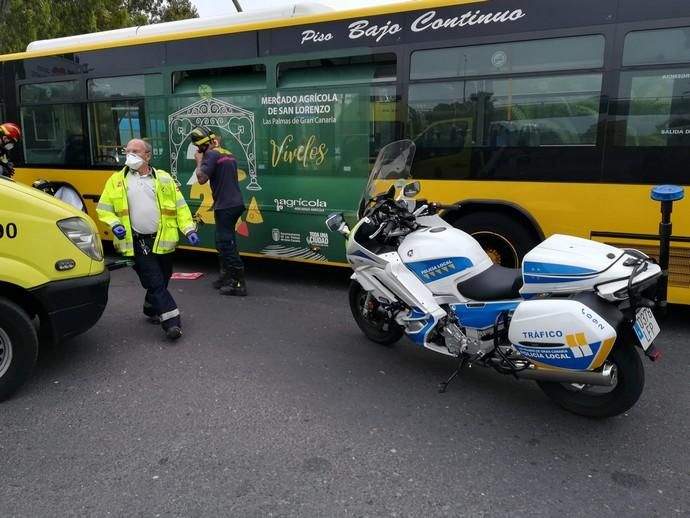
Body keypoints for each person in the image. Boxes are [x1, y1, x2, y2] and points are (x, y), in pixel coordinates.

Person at [96, 138, 199, 341]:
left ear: (148, 156)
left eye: (135, 151)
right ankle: (171, 322)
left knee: (163, 276)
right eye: (128, 151)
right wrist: (114, 223)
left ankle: (150, 307)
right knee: (155, 281)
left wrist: (188, 229)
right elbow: (104, 208)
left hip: (162, 241)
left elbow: (180, 207)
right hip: (137, 241)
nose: (130, 154)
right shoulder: (116, 181)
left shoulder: (164, 179)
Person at [191, 126, 247, 296]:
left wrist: (199, 161)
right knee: (221, 241)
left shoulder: (211, 155)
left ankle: (238, 284)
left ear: (200, 146)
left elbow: (201, 179)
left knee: (227, 244)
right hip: (232, 204)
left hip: (226, 206)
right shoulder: (226, 153)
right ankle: (226, 277)